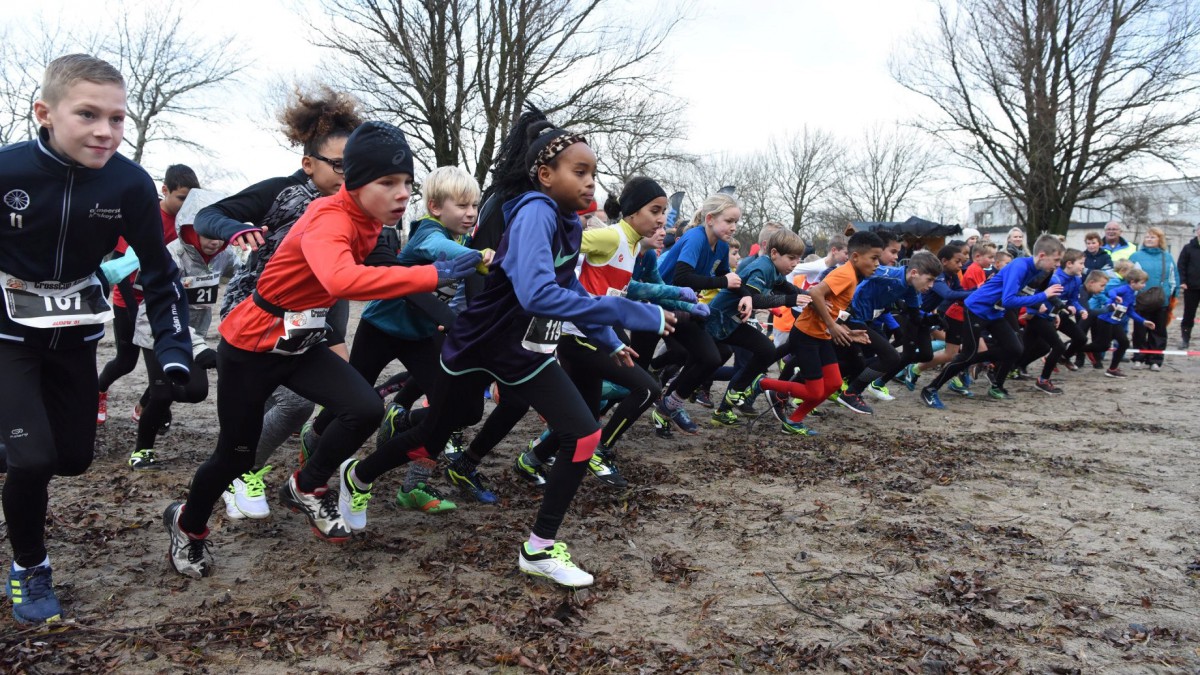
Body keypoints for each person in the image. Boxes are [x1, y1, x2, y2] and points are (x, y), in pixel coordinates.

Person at [338, 121, 673, 588]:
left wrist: (610, 338)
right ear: (544, 174)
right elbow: (536, 292)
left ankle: (538, 548)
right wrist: (626, 310)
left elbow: (567, 285)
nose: (590, 182)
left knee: (581, 433)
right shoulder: (534, 211)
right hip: (481, 342)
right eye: (579, 171)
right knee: (436, 435)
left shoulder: (566, 222)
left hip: (526, 349)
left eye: (594, 173)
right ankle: (360, 475)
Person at [163, 121, 483, 579]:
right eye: (388, 183)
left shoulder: (372, 223)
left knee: (365, 407)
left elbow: (375, 269)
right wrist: (433, 274)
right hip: (252, 343)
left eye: (408, 183)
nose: (402, 194)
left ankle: (306, 485)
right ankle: (187, 524)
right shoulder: (329, 216)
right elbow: (341, 280)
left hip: (300, 340)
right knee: (234, 455)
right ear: (354, 183)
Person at [0, 54, 193, 624]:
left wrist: (176, 351)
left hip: (76, 336)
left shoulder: (128, 182)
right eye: (88, 114)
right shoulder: (7, 171)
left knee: (75, 458)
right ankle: (30, 568)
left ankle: (14, 437)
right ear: (45, 112)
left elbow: (160, 274)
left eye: (117, 118)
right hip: (9, 334)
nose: (106, 131)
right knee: (31, 460)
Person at [195, 87, 363, 519]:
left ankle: (267, 473)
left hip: (315, 312)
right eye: (340, 166)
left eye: (356, 165)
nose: (350, 175)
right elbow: (208, 215)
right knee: (292, 402)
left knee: (328, 400)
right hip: (256, 311)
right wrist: (235, 229)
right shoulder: (281, 192)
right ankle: (241, 473)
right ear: (309, 164)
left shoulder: (359, 205)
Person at [128, 189, 234, 470]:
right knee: (163, 395)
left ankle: (149, 397)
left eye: (221, 235)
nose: (215, 242)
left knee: (197, 391)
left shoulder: (225, 256)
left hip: (193, 334)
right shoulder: (170, 256)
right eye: (208, 234)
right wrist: (199, 347)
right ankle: (142, 450)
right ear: (189, 228)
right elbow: (163, 306)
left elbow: (247, 274)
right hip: (156, 330)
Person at [97, 163, 199, 425]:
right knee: (126, 361)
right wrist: (132, 307)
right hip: (130, 301)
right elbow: (119, 265)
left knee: (167, 362)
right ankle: (98, 391)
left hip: (163, 302)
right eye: (181, 198)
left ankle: (145, 406)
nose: (186, 204)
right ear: (165, 190)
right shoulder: (145, 216)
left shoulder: (187, 223)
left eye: (192, 199)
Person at [759, 231, 884, 436]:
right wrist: (832, 326)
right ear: (855, 257)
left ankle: (793, 421)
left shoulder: (852, 276)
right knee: (814, 390)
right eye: (874, 258)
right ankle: (763, 384)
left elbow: (832, 309)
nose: (877, 263)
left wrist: (845, 332)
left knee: (834, 383)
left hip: (821, 336)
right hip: (808, 335)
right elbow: (815, 293)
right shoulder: (846, 274)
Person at [920, 234, 1066, 409]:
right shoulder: (1020, 266)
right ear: (1042, 255)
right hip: (976, 309)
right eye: (1056, 260)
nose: (1058, 265)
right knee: (968, 354)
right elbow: (1009, 300)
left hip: (994, 312)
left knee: (1015, 349)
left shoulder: (1040, 270)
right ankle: (930, 389)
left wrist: (1053, 307)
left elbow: (1029, 292)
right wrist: (1043, 296)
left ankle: (996, 385)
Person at [651, 194, 743, 435]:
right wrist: (723, 280)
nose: (733, 227)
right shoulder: (695, 237)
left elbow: (728, 280)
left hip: (684, 306)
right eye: (729, 221)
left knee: (719, 353)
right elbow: (682, 278)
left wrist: (746, 296)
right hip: (659, 301)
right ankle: (656, 380)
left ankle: (670, 403)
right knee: (687, 354)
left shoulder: (721, 246)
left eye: (736, 222)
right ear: (710, 218)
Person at [705, 228, 806, 426]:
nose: (795, 263)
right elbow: (752, 299)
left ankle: (727, 404)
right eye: (791, 258)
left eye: (798, 259)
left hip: (733, 323)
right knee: (694, 361)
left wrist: (812, 295)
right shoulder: (762, 267)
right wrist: (790, 300)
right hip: (717, 320)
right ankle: (661, 374)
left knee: (766, 350)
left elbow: (786, 287)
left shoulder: (775, 269)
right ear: (775, 253)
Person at [838, 251, 941, 414]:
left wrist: (932, 320)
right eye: (929, 280)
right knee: (891, 357)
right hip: (849, 318)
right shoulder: (888, 274)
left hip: (864, 321)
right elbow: (850, 272)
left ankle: (840, 387)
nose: (931, 285)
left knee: (855, 362)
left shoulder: (911, 290)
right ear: (914, 273)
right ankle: (850, 393)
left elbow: (914, 316)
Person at [1084, 268, 1154, 378]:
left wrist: (1143, 321)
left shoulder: (1132, 293)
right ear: (1132, 282)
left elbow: (1130, 311)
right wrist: (1114, 297)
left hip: (1116, 322)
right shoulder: (1124, 289)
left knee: (1124, 343)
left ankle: (1112, 369)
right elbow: (1112, 291)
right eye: (1142, 283)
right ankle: (1079, 349)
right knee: (1102, 346)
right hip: (1105, 320)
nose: (1144, 285)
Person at [1128, 227, 1179, 370]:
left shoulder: (1167, 257)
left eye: (1153, 237)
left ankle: (1155, 359)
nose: (1149, 239)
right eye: (1147, 237)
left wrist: (1171, 296)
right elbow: (1129, 277)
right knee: (1139, 330)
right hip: (1140, 300)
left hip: (1161, 300)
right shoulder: (1136, 256)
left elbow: (1173, 278)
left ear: (1160, 240)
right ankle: (1138, 357)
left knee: (1159, 331)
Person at [1178, 223, 1200, 349]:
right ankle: (1185, 339)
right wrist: (1183, 281)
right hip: (1191, 287)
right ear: (1197, 231)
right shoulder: (1188, 248)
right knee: (1188, 314)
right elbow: (1181, 265)